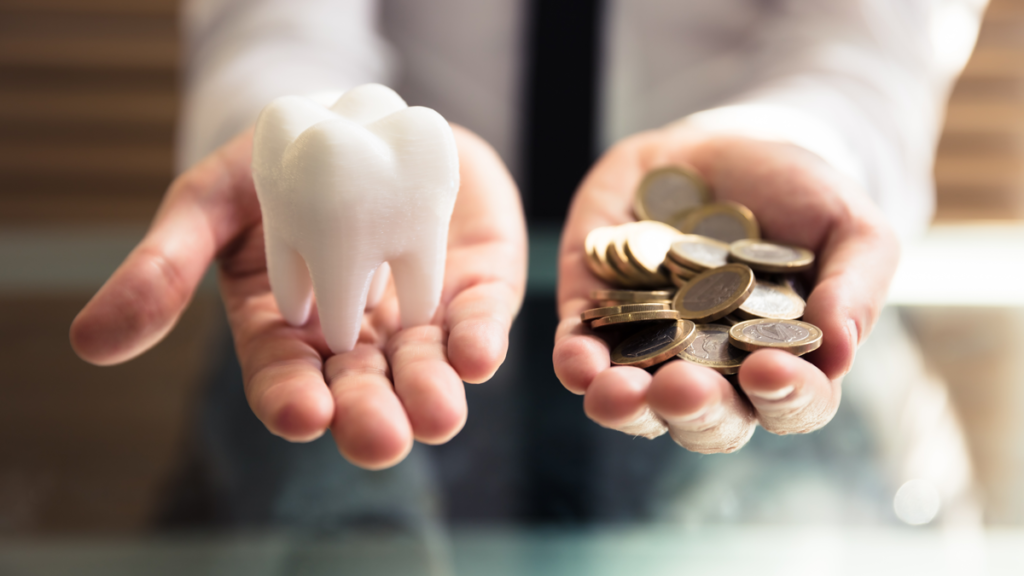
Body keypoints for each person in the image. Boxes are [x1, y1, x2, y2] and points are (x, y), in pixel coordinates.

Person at [70, 0, 986, 472]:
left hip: (825, 473)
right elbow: (275, 19)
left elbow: (874, 39)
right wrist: (287, 124)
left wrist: (807, 145)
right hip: (399, 240)